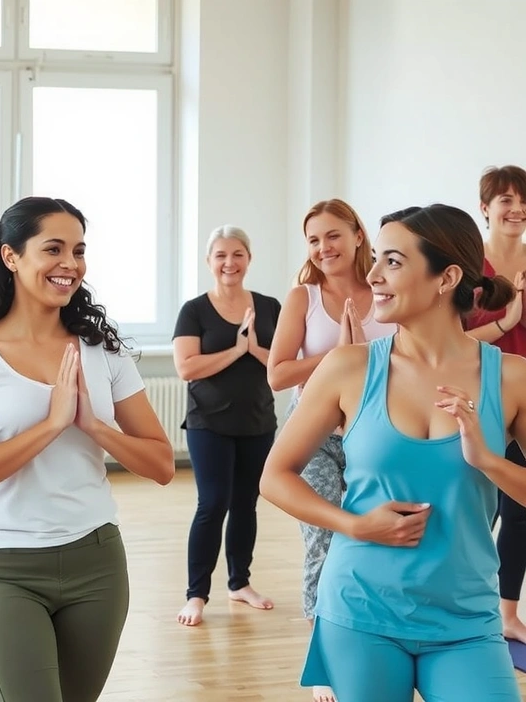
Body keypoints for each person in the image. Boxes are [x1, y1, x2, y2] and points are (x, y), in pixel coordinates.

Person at [261, 203, 526, 701]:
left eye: (393, 262)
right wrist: (355, 525)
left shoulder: (512, 377)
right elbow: (275, 476)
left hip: (466, 618)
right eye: (377, 258)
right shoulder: (347, 367)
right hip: (360, 611)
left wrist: (490, 461)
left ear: (447, 277)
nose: (374, 275)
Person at [0, 196, 175, 702]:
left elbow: (161, 464)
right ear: (11, 256)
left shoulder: (103, 351)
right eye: (54, 249)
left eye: (79, 251)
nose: (70, 264)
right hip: (6, 566)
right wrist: (52, 423)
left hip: (97, 562)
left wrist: (94, 427)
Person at [266, 200, 395, 702]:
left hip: (374, 433)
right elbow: (278, 374)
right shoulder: (304, 297)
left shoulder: (386, 289)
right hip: (314, 435)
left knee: (371, 543)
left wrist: (365, 354)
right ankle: (324, 659)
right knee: (322, 540)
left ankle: (372, 641)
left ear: (359, 234)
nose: (323, 248)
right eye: (314, 240)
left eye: (333, 235)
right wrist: (340, 355)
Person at [172, 226, 280, 628]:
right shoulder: (194, 310)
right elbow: (186, 367)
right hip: (209, 422)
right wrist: (236, 350)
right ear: (209, 261)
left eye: (237, 254)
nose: (229, 263)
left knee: (246, 504)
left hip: (257, 420)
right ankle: (196, 594)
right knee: (213, 503)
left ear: (249, 259)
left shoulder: (269, 307)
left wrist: (254, 348)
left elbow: (283, 363)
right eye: (220, 255)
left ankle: (240, 583)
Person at [464, 165, 526, 644]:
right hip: (479, 390)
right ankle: (464, 602)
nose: (517, 209)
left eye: (523, 201)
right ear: (485, 208)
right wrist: (509, 319)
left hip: (523, 397)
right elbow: (457, 338)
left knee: (520, 509)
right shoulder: (470, 266)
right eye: (506, 200)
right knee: (474, 506)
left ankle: (507, 613)